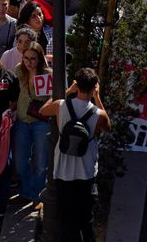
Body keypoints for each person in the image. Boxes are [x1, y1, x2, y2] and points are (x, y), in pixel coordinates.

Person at [40, 68, 108, 242]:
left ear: (77, 85)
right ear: (94, 87)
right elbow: (108, 126)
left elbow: (42, 110)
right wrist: (97, 98)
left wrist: (67, 91)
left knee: (67, 218)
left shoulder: (60, 105)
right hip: (86, 171)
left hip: (63, 171)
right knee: (86, 218)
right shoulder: (97, 113)